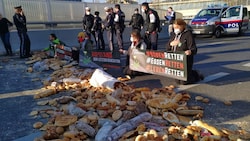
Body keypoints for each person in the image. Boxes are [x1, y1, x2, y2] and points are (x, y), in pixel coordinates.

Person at [166, 18, 203, 85]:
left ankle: (196, 75)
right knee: (177, 81)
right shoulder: (173, 35)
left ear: (182, 26)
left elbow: (193, 48)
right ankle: (190, 73)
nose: (175, 29)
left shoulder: (188, 34)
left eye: (177, 27)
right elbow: (167, 47)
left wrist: (190, 51)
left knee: (184, 82)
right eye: (174, 27)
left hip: (185, 59)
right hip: (175, 59)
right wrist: (170, 44)